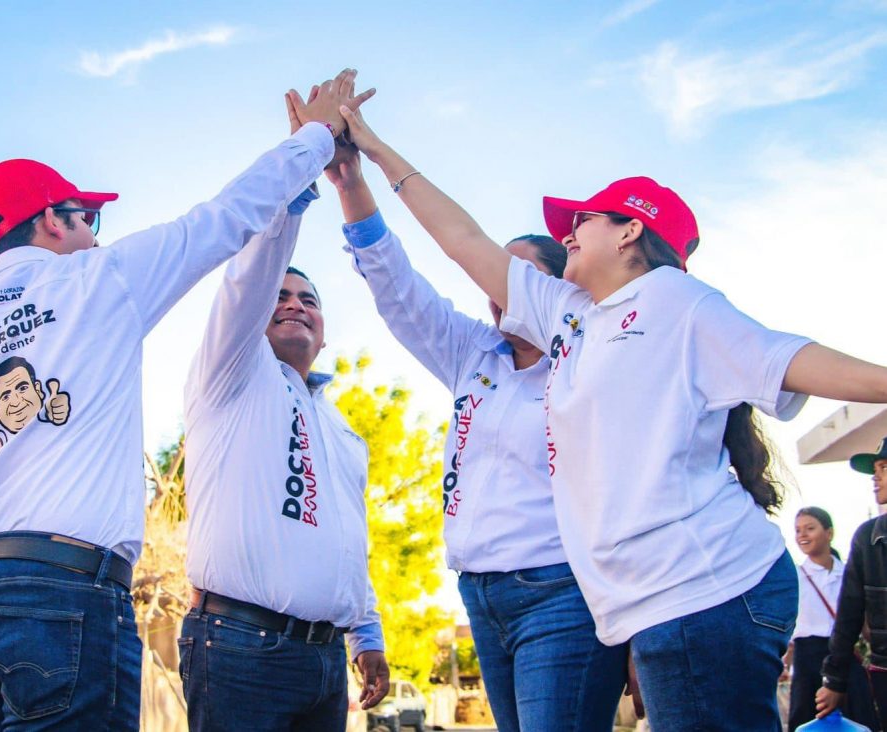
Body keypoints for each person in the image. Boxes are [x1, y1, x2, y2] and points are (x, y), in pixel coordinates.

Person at [317, 97, 887, 731]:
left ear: (629, 231)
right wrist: (373, 148)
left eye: (582, 219)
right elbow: (463, 240)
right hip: (658, 600)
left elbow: (792, 357)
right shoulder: (569, 316)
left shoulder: (676, 300)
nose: (568, 232)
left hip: (709, 589)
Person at [0, 69, 364, 729]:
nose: (95, 232)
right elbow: (226, 217)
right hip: (64, 597)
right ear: (52, 221)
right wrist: (315, 140)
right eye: (87, 217)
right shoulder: (99, 280)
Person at [316, 127, 626, 731]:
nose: (495, 285)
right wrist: (350, 183)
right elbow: (395, 286)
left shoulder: (593, 357)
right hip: (480, 596)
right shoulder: (472, 351)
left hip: (563, 593)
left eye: (514, 273)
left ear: (558, 289)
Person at [177, 80, 388, 732]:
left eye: (310, 301)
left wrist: (368, 635)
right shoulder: (232, 372)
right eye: (282, 296)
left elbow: (348, 538)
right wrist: (305, 158)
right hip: (240, 650)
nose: (294, 303)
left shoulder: (342, 431)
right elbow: (252, 273)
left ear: (324, 332)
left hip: (324, 661)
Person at [817, 438, 887, 726]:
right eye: (875, 469)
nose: (875, 477)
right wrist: (835, 680)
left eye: (884, 468)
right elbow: (848, 614)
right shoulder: (867, 539)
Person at [790, 507, 878, 729]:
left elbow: (864, 622)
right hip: (807, 658)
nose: (802, 535)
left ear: (829, 533)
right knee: (807, 721)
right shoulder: (794, 577)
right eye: (798, 530)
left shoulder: (849, 572)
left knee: (859, 719)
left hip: (844, 654)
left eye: (810, 528)